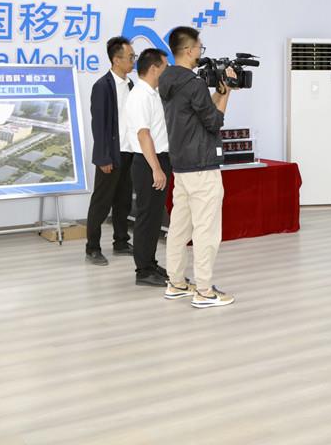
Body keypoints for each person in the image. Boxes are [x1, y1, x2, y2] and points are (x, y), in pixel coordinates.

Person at [159, 26, 236, 307]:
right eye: (199, 48)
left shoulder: (167, 79)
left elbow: (201, 115)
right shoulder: (193, 84)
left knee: (179, 229)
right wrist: (227, 92)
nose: (200, 53)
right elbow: (214, 122)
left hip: (181, 165)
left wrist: (218, 93)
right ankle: (204, 291)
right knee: (206, 230)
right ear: (190, 49)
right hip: (202, 165)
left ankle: (176, 283)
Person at [85, 36, 135, 266]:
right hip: (110, 154)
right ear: (116, 60)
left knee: (123, 201)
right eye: (130, 57)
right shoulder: (102, 86)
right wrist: (103, 157)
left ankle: (121, 242)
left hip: (129, 152)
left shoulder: (131, 85)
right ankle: (92, 248)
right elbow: (99, 126)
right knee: (101, 202)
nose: (133, 61)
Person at [124, 48, 172, 287]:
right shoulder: (140, 95)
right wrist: (156, 168)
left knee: (154, 217)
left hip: (159, 159)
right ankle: (142, 270)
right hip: (147, 162)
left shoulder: (153, 94)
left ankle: (150, 263)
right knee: (146, 217)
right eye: (165, 67)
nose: (167, 72)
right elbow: (143, 134)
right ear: (154, 68)